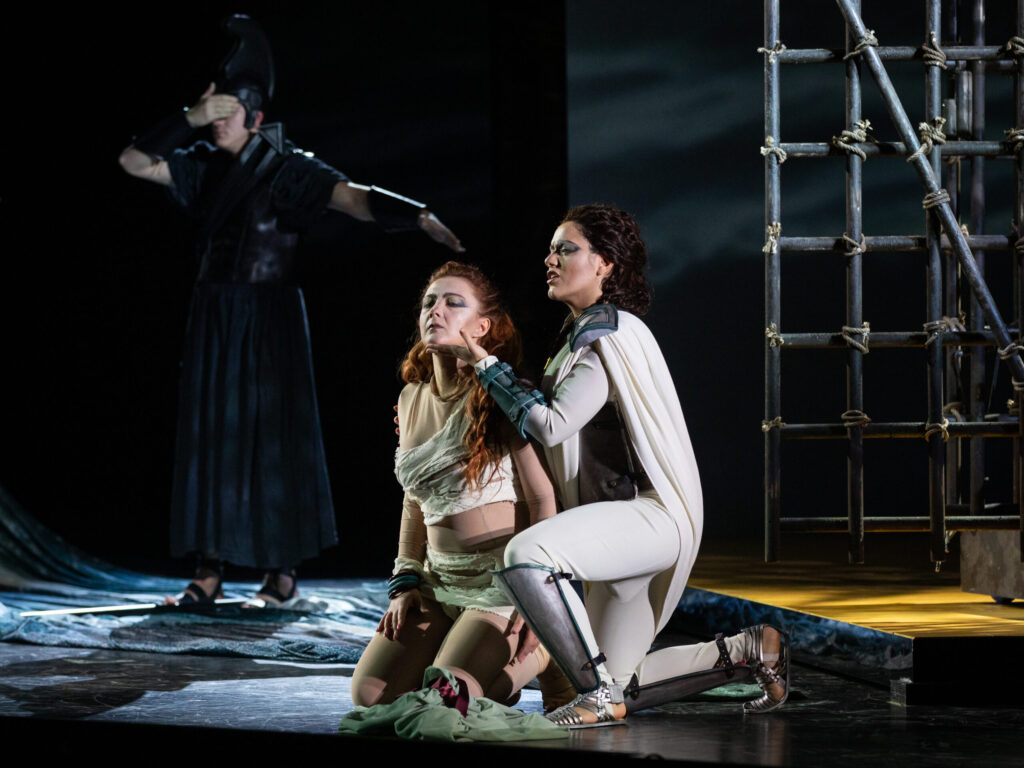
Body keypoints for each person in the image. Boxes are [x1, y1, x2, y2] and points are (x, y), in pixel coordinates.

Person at [118, 15, 464, 607]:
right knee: (212, 435)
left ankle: (280, 574)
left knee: (271, 438)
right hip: (214, 316)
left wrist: (417, 214)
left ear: (255, 117)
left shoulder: (288, 168)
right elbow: (132, 161)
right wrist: (189, 118)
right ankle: (208, 570)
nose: (217, 118)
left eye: (227, 109)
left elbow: (352, 199)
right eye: (211, 109)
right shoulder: (201, 165)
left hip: (268, 318)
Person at [436, 204, 789, 727]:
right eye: (551, 250)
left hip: (647, 517)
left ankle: (595, 693)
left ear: (604, 264)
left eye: (566, 249)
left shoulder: (606, 336)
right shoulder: (586, 336)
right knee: (620, 680)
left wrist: (486, 365)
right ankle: (751, 649)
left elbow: (552, 424)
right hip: (623, 522)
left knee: (526, 555)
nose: (550, 260)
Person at [350, 262, 572, 710]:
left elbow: (542, 497)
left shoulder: (500, 395)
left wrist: (535, 593)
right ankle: (464, 650)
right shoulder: (410, 397)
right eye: (429, 302)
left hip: (499, 584)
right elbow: (416, 496)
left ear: (482, 326)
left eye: (454, 303)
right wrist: (406, 579)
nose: (436, 310)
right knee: (370, 697)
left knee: (447, 703)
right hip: (437, 581)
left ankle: (544, 654)